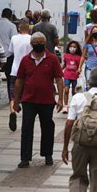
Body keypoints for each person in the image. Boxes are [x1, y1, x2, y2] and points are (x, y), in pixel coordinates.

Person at [13, 32, 64, 168]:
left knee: (47, 128)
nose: (38, 45)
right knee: (26, 129)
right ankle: (25, 158)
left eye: (41, 43)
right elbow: (19, 81)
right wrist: (16, 101)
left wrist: (61, 100)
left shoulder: (52, 59)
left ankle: (48, 155)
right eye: (36, 43)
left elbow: (59, 79)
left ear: (45, 43)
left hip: (47, 100)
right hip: (29, 100)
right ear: (31, 44)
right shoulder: (25, 60)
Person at [7, 21, 32, 131]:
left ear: (18, 29)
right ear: (29, 29)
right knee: (26, 93)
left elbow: (11, 51)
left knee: (13, 94)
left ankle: (13, 111)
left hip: (15, 69)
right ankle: (26, 116)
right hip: (27, 70)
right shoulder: (31, 38)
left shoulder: (14, 38)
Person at [0, 8, 18, 101]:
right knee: (10, 77)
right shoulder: (12, 26)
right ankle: (10, 97)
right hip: (7, 54)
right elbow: (14, 40)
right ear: (10, 16)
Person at [62, 41, 82, 113]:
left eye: (74, 47)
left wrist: (79, 70)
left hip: (74, 76)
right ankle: (65, 106)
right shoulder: (66, 55)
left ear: (77, 48)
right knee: (66, 90)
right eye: (71, 47)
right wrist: (60, 70)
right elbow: (64, 64)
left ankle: (74, 105)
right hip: (67, 75)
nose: (72, 48)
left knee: (74, 92)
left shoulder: (79, 57)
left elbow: (80, 67)